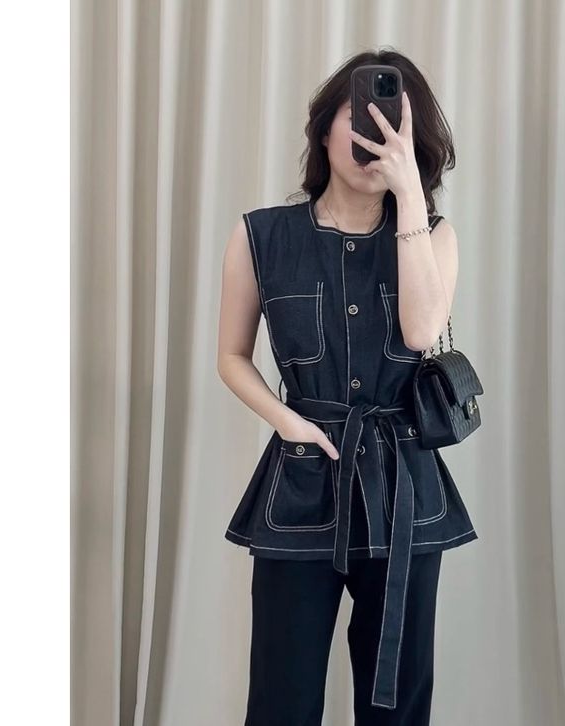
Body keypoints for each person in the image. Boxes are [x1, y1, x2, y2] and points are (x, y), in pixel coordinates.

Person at [217, 49, 478, 725]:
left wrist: (410, 195)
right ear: (324, 127)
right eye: (359, 119)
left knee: (396, 706)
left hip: (404, 492)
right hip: (301, 484)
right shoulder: (261, 235)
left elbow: (421, 331)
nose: (374, 138)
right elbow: (232, 356)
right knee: (280, 703)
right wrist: (287, 421)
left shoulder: (435, 237)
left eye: (395, 126)